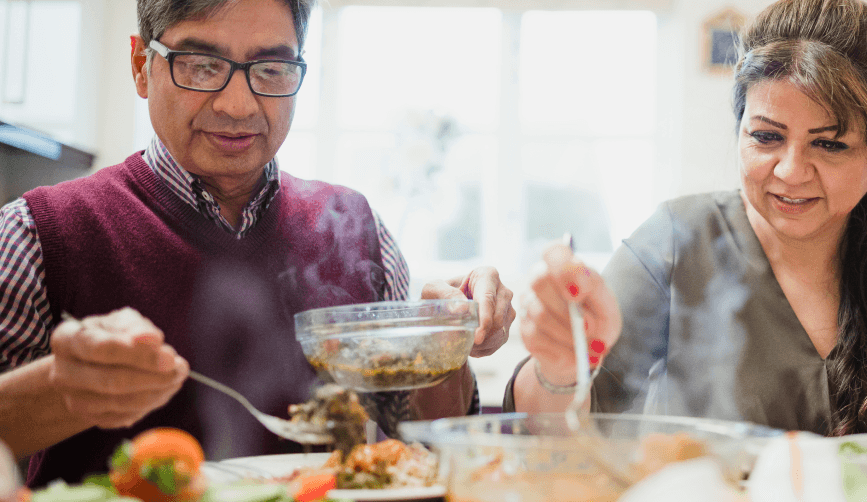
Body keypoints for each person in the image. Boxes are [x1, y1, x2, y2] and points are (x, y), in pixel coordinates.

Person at [0, 0, 514, 487]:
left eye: (271, 69)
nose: (238, 104)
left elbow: (425, 438)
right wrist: (62, 389)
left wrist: (443, 340)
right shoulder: (39, 232)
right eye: (201, 64)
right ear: (141, 65)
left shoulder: (360, 231)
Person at [507, 0, 867, 479]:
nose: (791, 171)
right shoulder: (675, 244)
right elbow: (547, 440)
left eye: (829, 144)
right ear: (740, 129)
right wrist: (557, 368)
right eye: (766, 137)